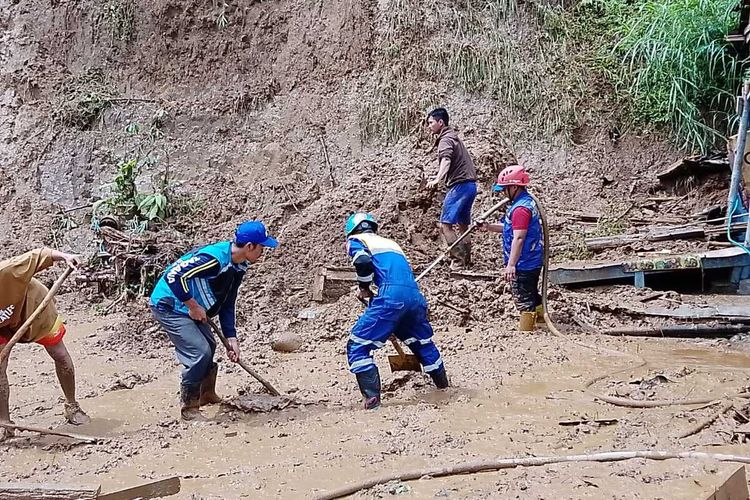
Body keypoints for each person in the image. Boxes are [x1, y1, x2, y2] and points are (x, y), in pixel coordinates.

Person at [150, 221, 278, 420]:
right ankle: (189, 408)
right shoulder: (214, 259)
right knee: (198, 351)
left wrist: (231, 338)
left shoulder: (238, 265)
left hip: (188, 306)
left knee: (209, 344)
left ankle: (206, 394)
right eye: (262, 247)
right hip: (170, 305)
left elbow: (228, 302)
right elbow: (174, 276)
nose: (263, 252)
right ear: (250, 246)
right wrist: (192, 305)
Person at [345, 212, 449, 410]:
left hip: (391, 296)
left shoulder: (356, 240)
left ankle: (372, 403)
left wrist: (364, 288)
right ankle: (444, 389)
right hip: (414, 297)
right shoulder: (391, 244)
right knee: (422, 343)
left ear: (351, 231)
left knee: (357, 346)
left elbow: (362, 262)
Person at [0, 248, 90, 442]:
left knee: (60, 355)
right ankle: (5, 423)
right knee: (0, 368)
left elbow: (38, 255)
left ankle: (72, 406)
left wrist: (66, 257)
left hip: (34, 307)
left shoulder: (7, 271)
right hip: (2, 325)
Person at [479, 165, 544, 323]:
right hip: (531, 259)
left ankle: (528, 330)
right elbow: (512, 229)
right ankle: (541, 320)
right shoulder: (525, 203)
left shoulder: (521, 209)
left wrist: (511, 265)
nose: (502, 192)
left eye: (504, 188)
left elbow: (519, 238)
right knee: (531, 294)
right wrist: (488, 227)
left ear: (514, 187)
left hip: (524, 262)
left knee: (523, 300)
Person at [425, 108, 478, 270]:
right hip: (471, 186)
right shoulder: (454, 137)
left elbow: (446, 160)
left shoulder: (445, 140)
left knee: (445, 225)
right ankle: (466, 259)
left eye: (431, 123)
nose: (429, 126)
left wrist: (437, 179)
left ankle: (457, 261)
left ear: (441, 123)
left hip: (459, 186)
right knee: (462, 224)